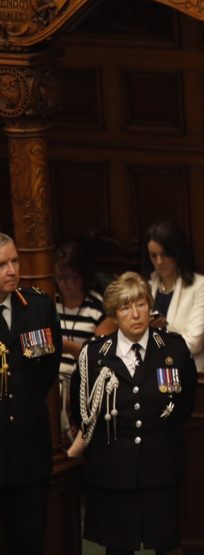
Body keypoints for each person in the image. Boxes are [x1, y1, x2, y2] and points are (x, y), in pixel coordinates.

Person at [69, 271, 197, 555]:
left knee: (166, 545)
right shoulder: (94, 355)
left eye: (140, 304)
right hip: (113, 472)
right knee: (118, 548)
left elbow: (186, 403)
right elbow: (81, 413)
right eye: (126, 307)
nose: (136, 313)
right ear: (114, 314)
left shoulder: (173, 348)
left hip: (160, 469)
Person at [0, 233, 62, 555]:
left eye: (14, 261)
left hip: (29, 452)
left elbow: (48, 370)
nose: (12, 270)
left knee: (29, 542)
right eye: (2, 265)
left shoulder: (38, 308)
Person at [55, 239, 116, 443]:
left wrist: (69, 348)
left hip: (81, 383)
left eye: (72, 277)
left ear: (83, 275)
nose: (66, 284)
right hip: (49, 381)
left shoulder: (98, 308)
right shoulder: (49, 303)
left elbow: (100, 356)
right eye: (60, 278)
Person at [142, 221, 204, 369]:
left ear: (177, 252)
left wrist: (162, 330)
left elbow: (194, 343)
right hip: (150, 371)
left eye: (164, 254)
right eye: (153, 256)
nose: (159, 261)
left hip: (188, 369)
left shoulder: (201, 285)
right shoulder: (146, 286)